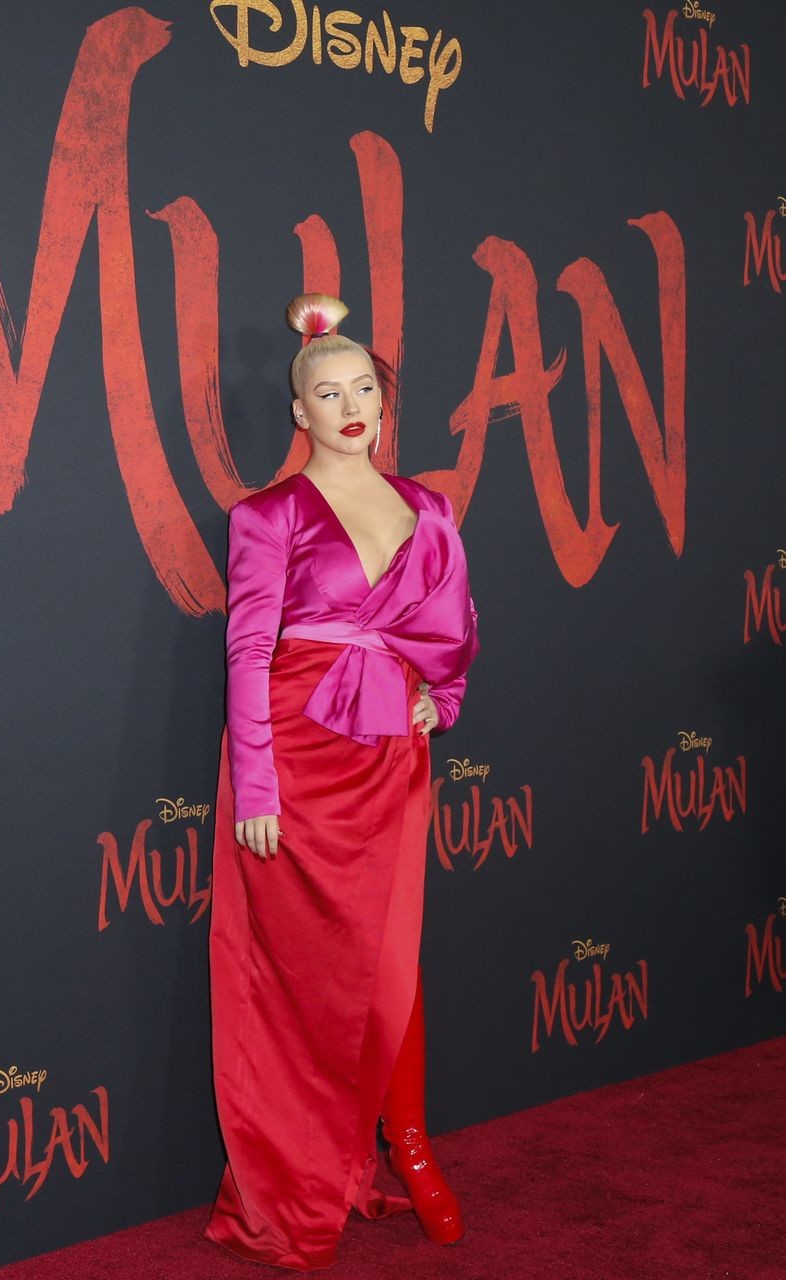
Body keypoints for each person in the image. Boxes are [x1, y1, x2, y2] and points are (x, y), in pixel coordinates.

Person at [207, 294, 480, 1270]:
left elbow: (450, 623)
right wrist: (257, 786)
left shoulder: (429, 506)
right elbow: (248, 650)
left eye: (364, 387)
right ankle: (303, 1169)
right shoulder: (267, 514)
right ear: (300, 411)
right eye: (329, 392)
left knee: (390, 961)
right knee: (300, 977)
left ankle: (411, 1147)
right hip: (294, 756)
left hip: (388, 755)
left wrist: (441, 696)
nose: (351, 405)